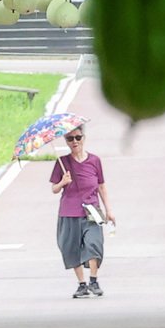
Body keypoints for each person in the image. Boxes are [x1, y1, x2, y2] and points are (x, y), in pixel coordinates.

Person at [49, 125, 115, 299]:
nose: (75, 142)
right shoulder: (62, 162)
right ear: (66, 141)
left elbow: (101, 185)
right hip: (69, 212)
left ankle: (94, 280)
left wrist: (109, 209)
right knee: (70, 248)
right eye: (70, 139)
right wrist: (63, 182)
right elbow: (54, 189)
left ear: (83, 138)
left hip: (93, 210)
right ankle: (82, 284)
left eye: (78, 137)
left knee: (94, 244)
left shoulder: (94, 161)